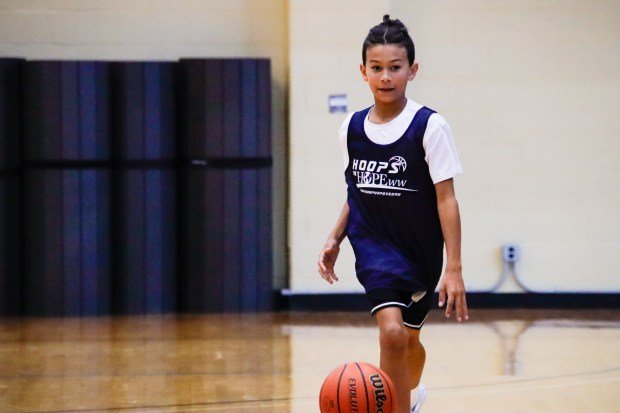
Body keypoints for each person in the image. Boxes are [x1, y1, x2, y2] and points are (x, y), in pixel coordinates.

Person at [317, 15, 468, 413]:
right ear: (363, 72)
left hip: (419, 250)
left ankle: (410, 396)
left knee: (409, 339)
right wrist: (335, 238)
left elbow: (446, 199)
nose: (386, 77)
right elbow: (356, 190)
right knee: (391, 334)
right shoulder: (351, 128)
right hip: (374, 248)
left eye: (395, 68)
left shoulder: (429, 126)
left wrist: (453, 267)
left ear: (412, 71)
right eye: (377, 68)